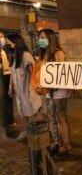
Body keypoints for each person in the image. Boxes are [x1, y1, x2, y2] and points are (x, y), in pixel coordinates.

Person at [38, 28, 73, 157]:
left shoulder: (58, 54)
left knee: (61, 118)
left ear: (50, 39)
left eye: (43, 37)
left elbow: (66, 73)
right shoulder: (42, 55)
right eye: (40, 37)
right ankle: (56, 142)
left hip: (59, 92)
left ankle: (67, 144)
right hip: (48, 92)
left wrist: (70, 88)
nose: (40, 40)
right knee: (52, 117)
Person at [7, 34, 44, 140]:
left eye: (10, 42)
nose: (8, 44)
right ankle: (25, 131)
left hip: (28, 90)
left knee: (35, 111)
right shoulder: (15, 55)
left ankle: (42, 132)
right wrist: (11, 87)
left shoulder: (26, 55)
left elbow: (33, 72)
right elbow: (13, 72)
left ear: (16, 42)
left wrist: (35, 87)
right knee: (23, 112)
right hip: (19, 91)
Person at [0, 32, 17, 130]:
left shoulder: (7, 48)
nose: (1, 39)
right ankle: (5, 120)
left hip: (8, 75)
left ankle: (10, 120)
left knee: (9, 98)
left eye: (2, 37)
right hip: (2, 75)